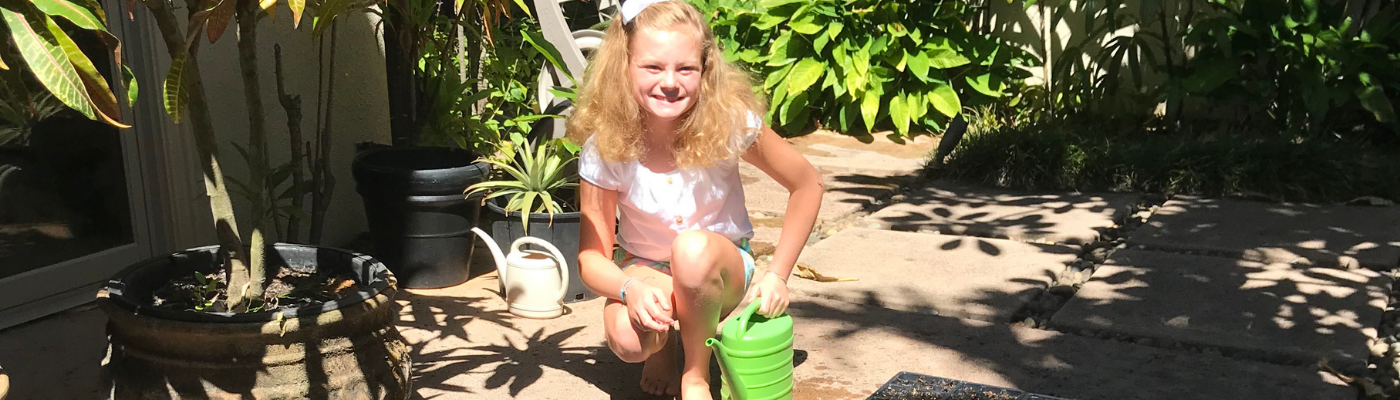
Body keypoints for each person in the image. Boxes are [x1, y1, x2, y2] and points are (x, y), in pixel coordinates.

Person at [567, 0, 824, 398]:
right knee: (628, 341)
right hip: (647, 268)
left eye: (685, 68)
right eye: (652, 67)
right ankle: (660, 348)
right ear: (625, 67)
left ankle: (695, 373)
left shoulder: (729, 120)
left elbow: (807, 184)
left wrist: (777, 275)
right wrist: (629, 289)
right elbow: (591, 258)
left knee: (691, 249)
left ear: (705, 70)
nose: (669, 81)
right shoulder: (606, 147)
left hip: (720, 270)